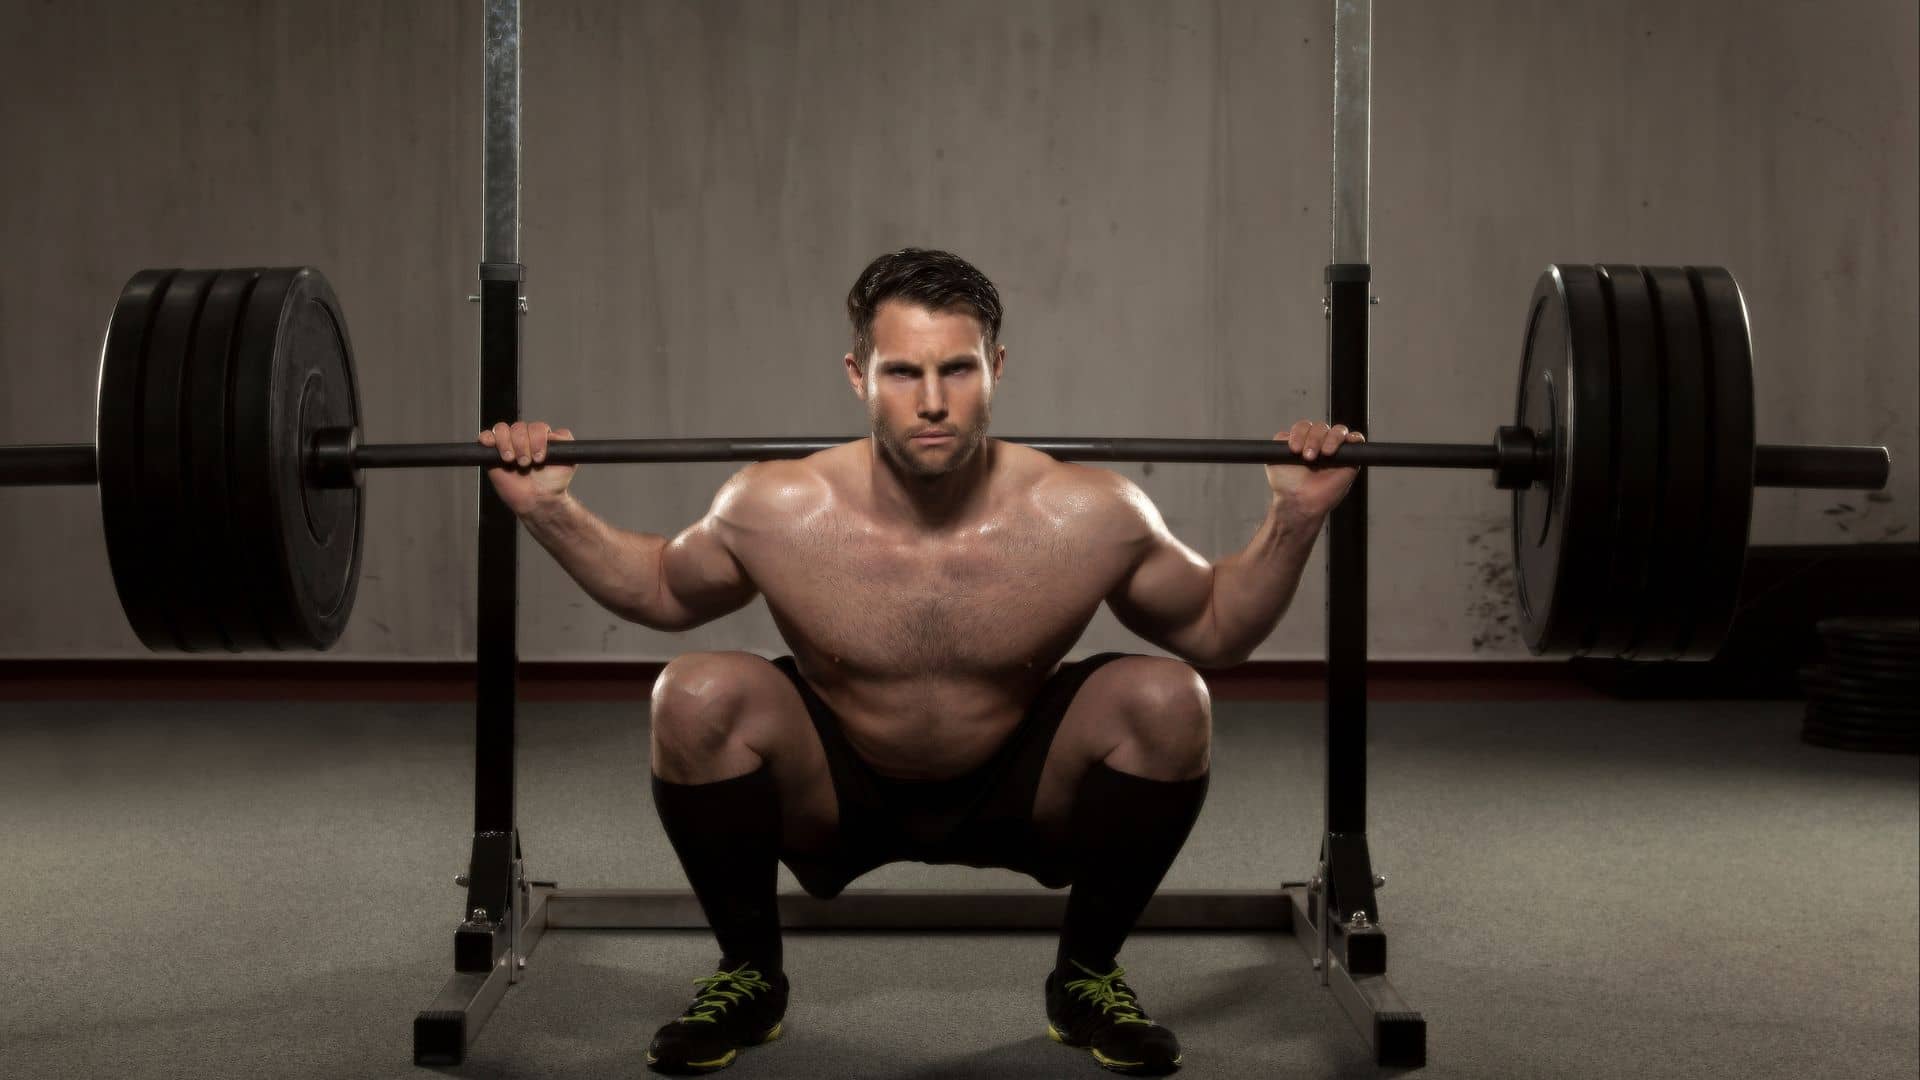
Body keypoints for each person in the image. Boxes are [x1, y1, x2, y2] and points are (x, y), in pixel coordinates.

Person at [479, 248, 1363, 1076]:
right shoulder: (775, 504)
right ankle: (749, 975)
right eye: (904, 372)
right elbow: (664, 590)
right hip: (836, 791)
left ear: (997, 370)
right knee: (694, 694)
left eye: (958, 369)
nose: (932, 401)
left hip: (1021, 787)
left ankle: (1087, 976)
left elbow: (1217, 629)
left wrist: (1296, 517)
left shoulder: (1088, 511)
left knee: (1174, 699)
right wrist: (549, 512)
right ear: (860, 376)